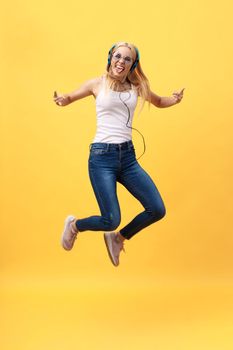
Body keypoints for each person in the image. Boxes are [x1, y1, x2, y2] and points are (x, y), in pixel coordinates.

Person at [53, 41, 184, 267]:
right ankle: (75, 225)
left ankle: (118, 238)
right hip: (102, 158)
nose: (121, 62)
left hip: (128, 158)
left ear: (133, 64)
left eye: (127, 59)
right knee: (110, 219)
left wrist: (175, 99)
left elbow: (160, 101)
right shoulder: (98, 84)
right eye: (117, 56)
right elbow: (69, 98)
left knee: (157, 209)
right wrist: (62, 100)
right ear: (110, 58)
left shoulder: (136, 87)